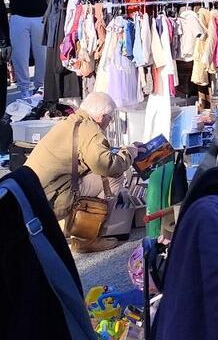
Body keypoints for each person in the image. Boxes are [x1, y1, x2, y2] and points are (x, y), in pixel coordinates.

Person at [25, 91, 139, 253]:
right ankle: (86, 238)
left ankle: (68, 227)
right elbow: (106, 166)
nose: (110, 121)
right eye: (110, 117)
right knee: (114, 177)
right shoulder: (91, 130)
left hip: (34, 193)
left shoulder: (71, 121)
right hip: (50, 200)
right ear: (101, 117)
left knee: (99, 174)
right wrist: (130, 152)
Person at [1, 0, 54, 98]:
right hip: (19, 16)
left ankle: (40, 86)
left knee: (42, 54)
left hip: (40, 16)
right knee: (20, 55)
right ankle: (24, 88)